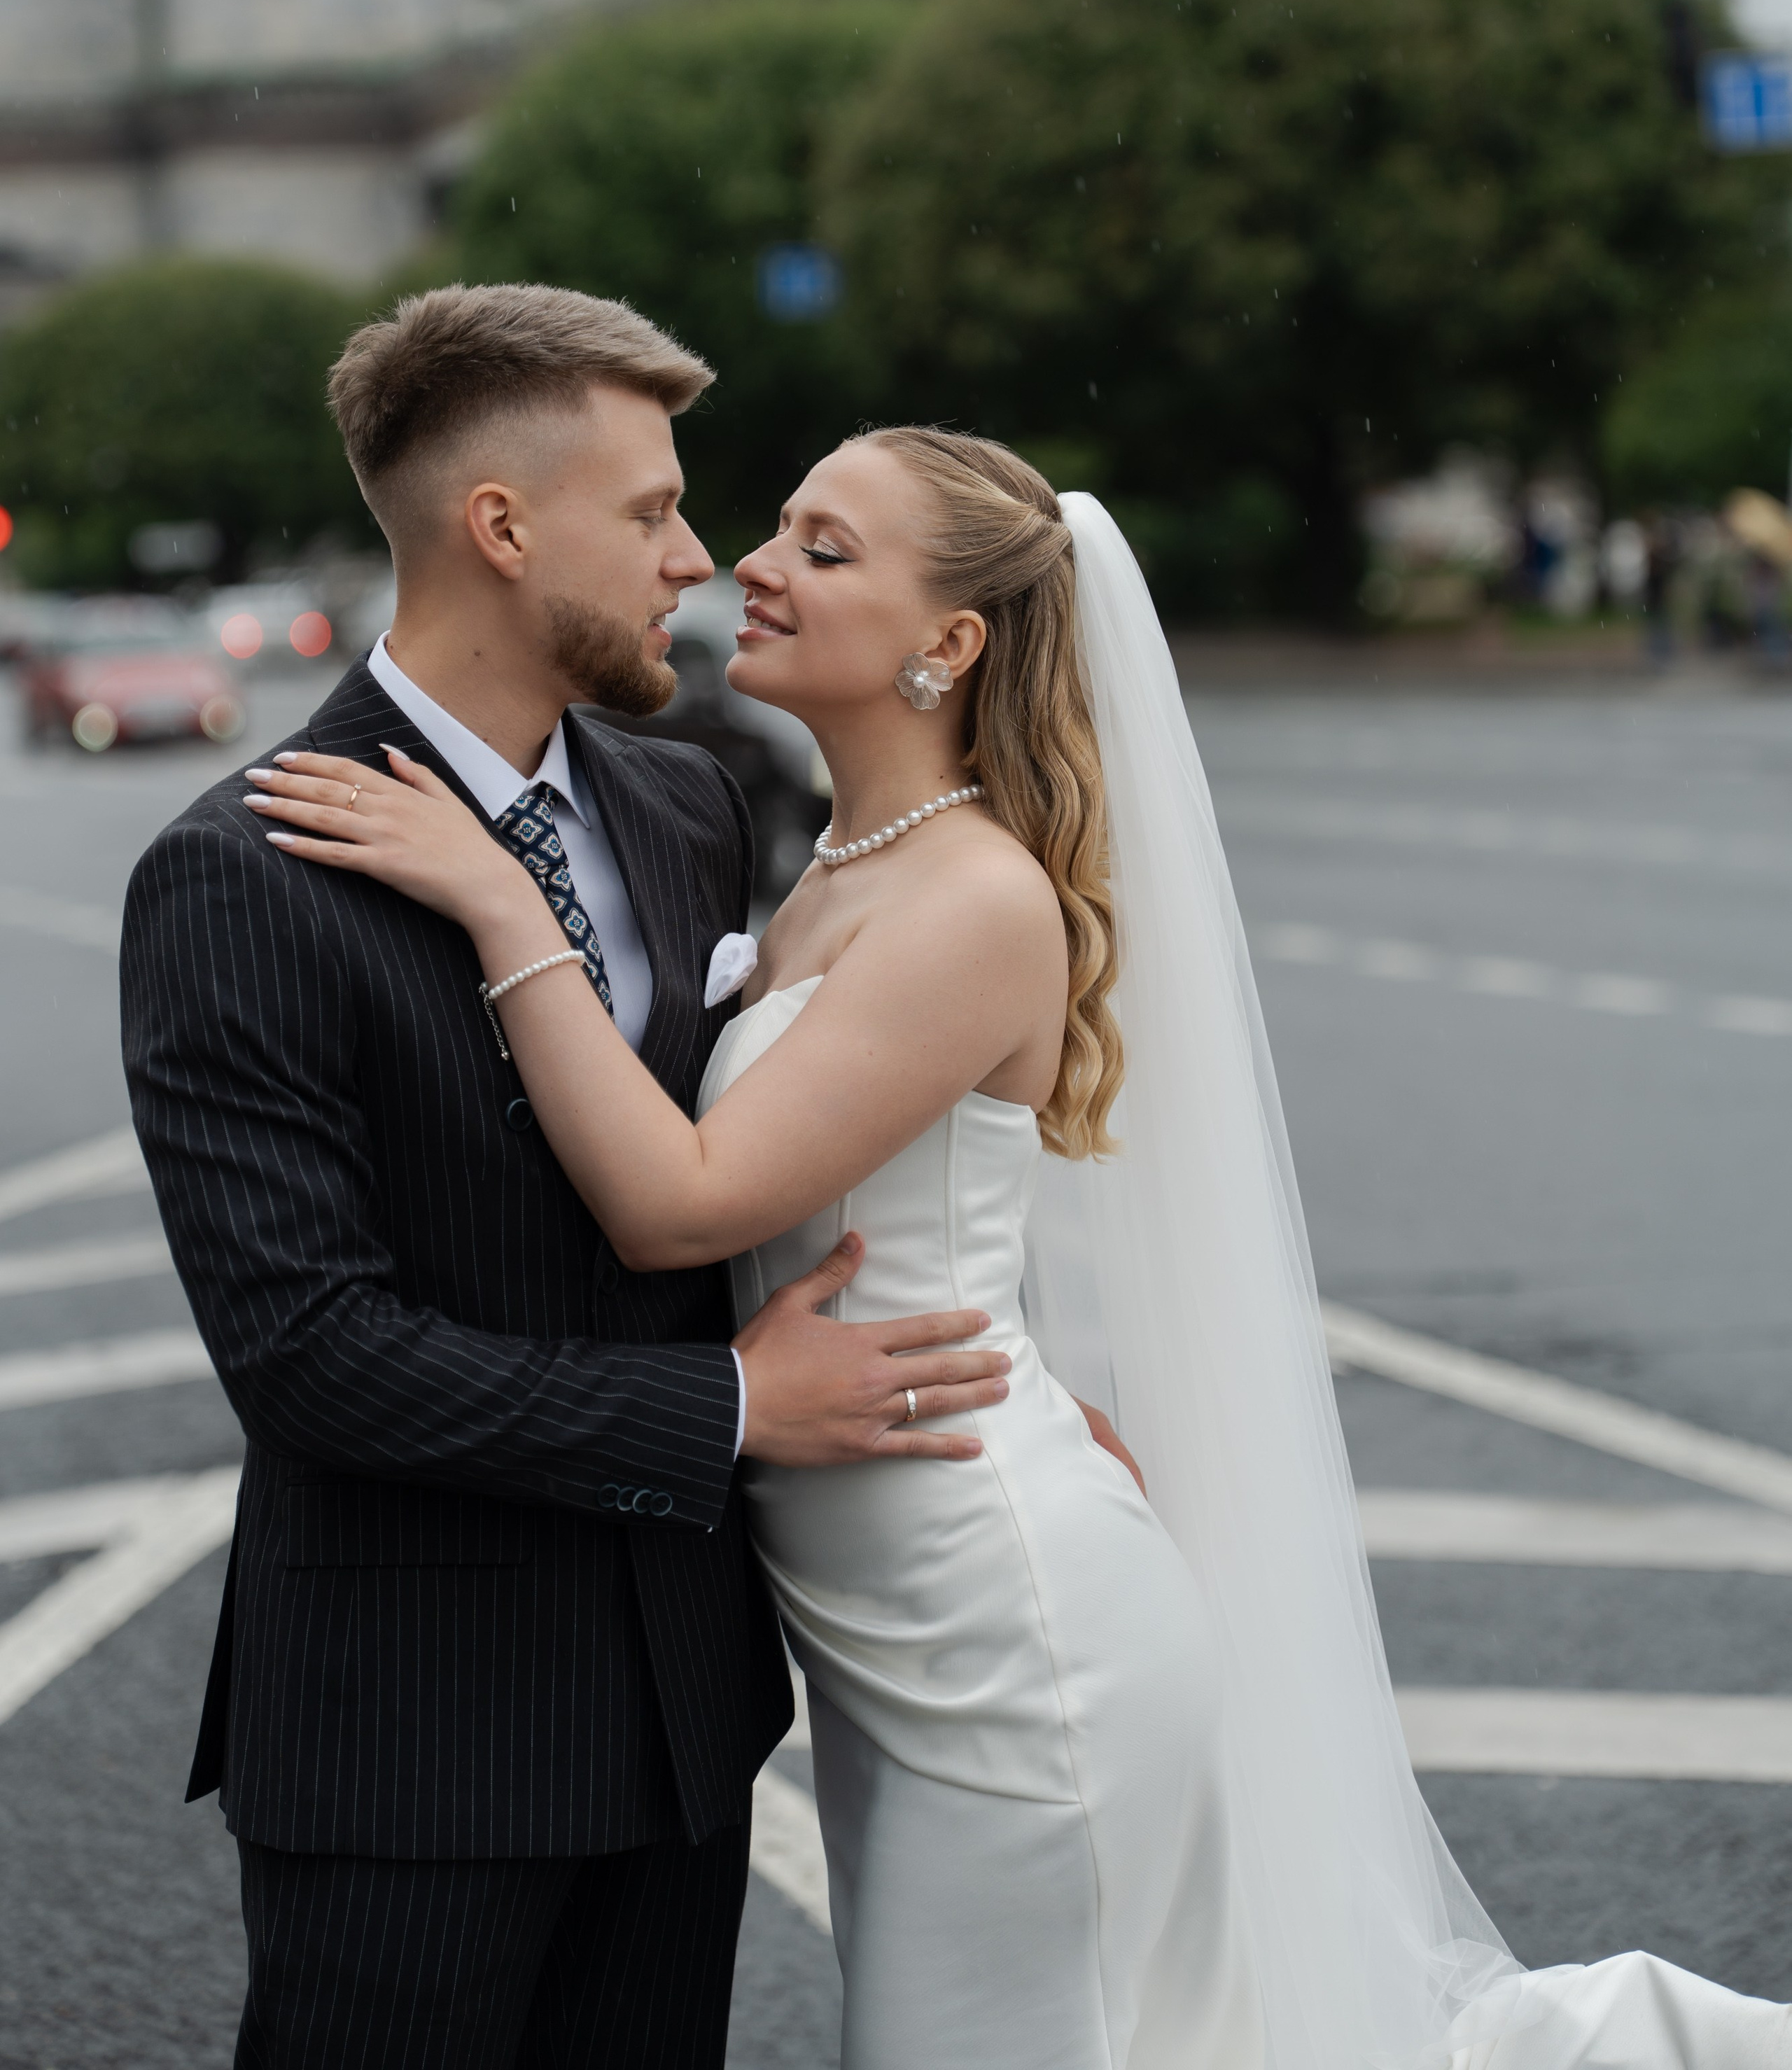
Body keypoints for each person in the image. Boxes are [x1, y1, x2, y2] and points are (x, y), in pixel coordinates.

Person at [244, 423, 1792, 2070]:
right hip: (893, 1624)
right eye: (775, 530)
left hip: (999, 1637)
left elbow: (684, 1202)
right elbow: (918, 1204)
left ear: (949, 642)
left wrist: (499, 909)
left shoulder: (977, 901)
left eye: (825, 550)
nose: (750, 565)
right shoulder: (835, 865)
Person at [120, 289, 1013, 2070]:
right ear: (502, 527)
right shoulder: (240, 873)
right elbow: (310, 1355)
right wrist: (728, 1408)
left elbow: (806, 1149)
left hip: (686, 1716)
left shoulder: (683, 803)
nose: (697, 556)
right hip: (409, 1740)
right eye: (652, 511)